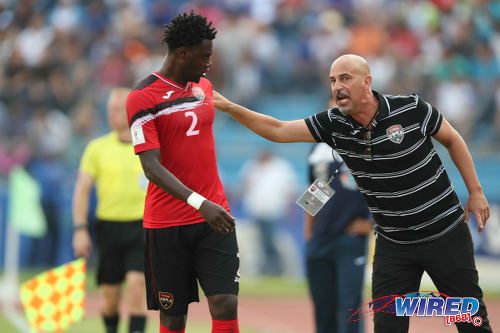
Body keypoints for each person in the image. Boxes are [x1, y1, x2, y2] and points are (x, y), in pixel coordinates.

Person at [214, 54, 492, 333]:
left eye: (345, 78)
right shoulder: (334, 126)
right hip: (393, 244)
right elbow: (278, 130)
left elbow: (453, 139)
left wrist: (476, 191)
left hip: (443, 234)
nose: (337, 87)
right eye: (333, 81)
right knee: (386, 327)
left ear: (367, 81)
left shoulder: (411, 108)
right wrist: (228, 107)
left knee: (471, 322)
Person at [125, 12, 239, 333]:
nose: (209, 63)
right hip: (168, 224)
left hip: (215, 217)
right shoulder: (141, 98)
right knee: (174, 318)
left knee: (226, 303)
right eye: (204, 56)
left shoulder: (203, 86)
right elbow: (151, 166)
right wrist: (198, 202)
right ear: (182, 53)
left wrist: (207, 204)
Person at [72, 88, 148, 333]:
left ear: (131, 112)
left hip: (141, 227)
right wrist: (80, 229)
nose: (110, 115)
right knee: (109, 299)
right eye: (109, 110)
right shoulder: (97, 148)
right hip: (109, 228)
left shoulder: (148, 146)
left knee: (137, 288)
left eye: (116, 110)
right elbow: (82, 190)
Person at [305, 142, 372, 333]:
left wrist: (372, 223)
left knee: (349, 309)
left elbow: (386, 187)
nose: (337, 109)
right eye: (333, 108)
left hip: (349, 240)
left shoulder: (365, 145)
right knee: (323, 310)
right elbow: (316, 190)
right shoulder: (318, 149)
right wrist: (309, 236)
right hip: (320, 241)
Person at [240, 150, 298, 276]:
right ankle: (267, 269)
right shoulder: (252, 166)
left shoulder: (281, 168)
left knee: (271, 241)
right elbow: (246, 186)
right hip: (256, 211)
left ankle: (275, 269)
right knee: (260, 242)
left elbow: (289, 190)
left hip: (274, 210)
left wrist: (288, 209)